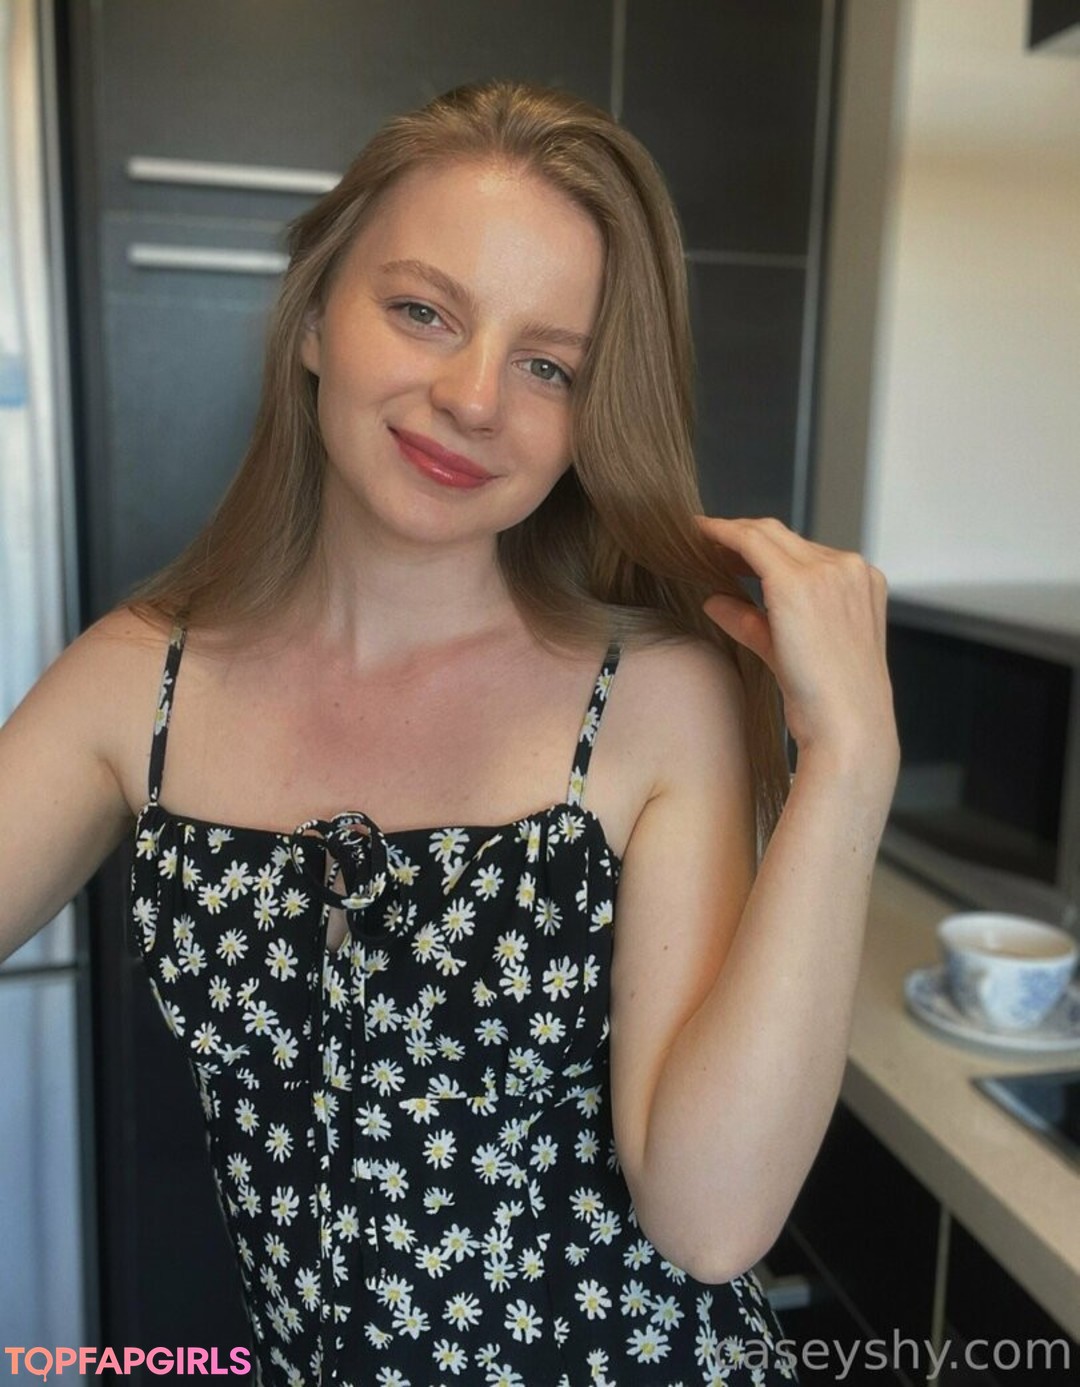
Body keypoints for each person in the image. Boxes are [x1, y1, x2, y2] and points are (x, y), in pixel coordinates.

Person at [0, 81, 899, 1386]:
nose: (476, 398)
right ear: (316, 316)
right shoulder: (139, 683)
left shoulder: (656, 698)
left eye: (550, 365)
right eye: (423, 310)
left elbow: (710, 1223)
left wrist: (852, 766)